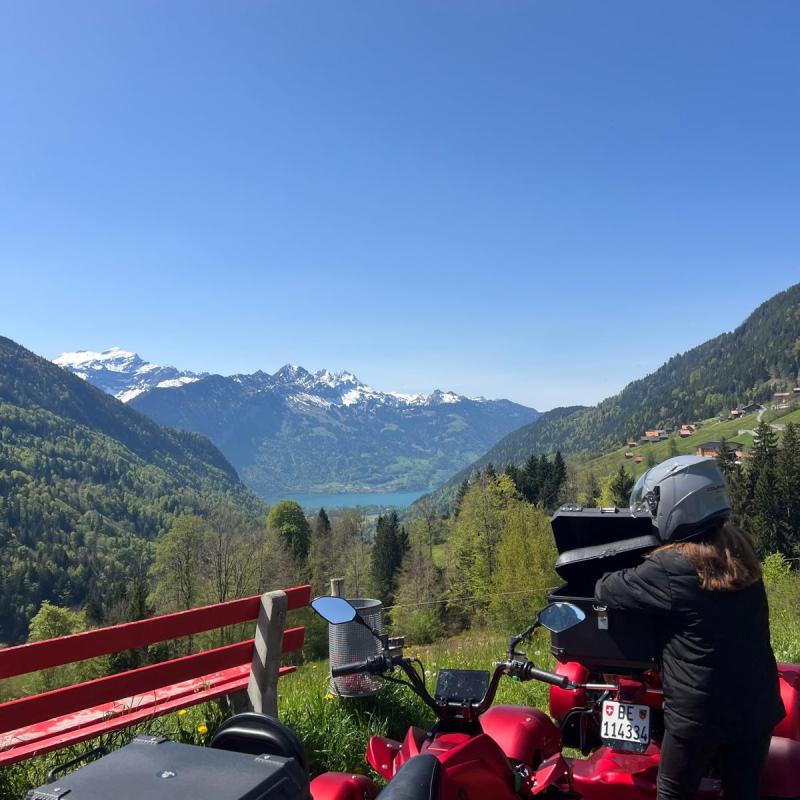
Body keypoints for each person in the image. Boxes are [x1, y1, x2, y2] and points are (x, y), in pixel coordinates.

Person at [595, 455, 785, 800]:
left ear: (675, 502)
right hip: (757, 705)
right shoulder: (738, 548)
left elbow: (607, 588)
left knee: (672, 792)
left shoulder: (671, 565)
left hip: (700, 715)